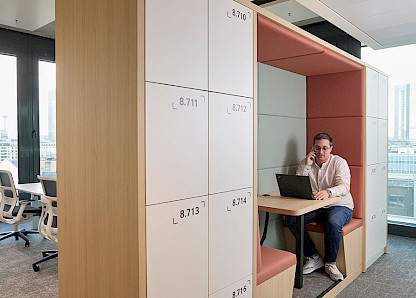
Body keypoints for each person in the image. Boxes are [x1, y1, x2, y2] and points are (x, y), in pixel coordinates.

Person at [285, 132, 354, 281]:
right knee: (291, 219)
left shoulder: (339, 162)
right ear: (313, 148)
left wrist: (328, 192)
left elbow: (344, 187)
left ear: (331, 148)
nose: (321, 152)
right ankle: (314, 256)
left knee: (333, 221)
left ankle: (330, 263)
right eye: (317, 148)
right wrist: (307, 166)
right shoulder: (306, 162)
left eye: (324, 148)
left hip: (339, 206)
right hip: (316, 207)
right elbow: (298, 186)